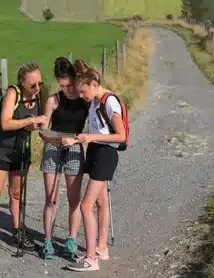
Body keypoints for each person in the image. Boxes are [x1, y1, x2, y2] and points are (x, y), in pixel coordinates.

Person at [0, 63, 47, 262]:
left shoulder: (39, 96)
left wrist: (39, 125)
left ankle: (18, 233)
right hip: (0, 150)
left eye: (39, 83)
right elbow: (6, 123)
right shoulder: (12, 94)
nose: (37, 88)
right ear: (22, 82)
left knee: (16, 194)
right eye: (32, 85)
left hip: (21, 151)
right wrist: (29, 122)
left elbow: (37, 124)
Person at [66, 62, 125, 272]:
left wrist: (89, 137)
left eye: (83, 91)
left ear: (94, 84)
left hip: (106, 154)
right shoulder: (94, 101)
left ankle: (91, 259)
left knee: (85, 205)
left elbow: (121, 136)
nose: (82, 96)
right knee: (101, 202)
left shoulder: (110, 102)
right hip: (95, 151)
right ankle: (101, 248)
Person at [39, 57, 89, 259]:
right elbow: (43, 129)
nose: (66, 89)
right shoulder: (53, 100)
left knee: (73, 199)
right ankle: (47, 241)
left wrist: (76, 141)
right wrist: (52, 139)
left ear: (73, 79)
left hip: (75, 149)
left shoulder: (85, 100)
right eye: (62, 85)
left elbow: (91, 128)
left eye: (68, 84)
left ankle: (71, 239)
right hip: (53, 148)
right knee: (51, 198)